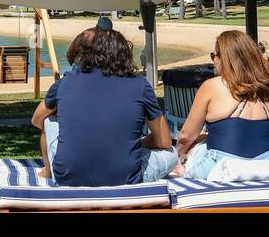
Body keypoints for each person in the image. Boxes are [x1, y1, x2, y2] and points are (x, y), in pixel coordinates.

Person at [29, 27, 176, 185]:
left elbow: (36, 119)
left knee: (48, 118)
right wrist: (138, 143)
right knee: (172, 153)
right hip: (124, 178)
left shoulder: (65, 83)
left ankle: (48, 171)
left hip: (68, 177)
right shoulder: (140, 85)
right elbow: (164, 141)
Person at [173, 30, 269, 179]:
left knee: (194, 146)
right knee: (202, 138)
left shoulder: (212, 86)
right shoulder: (265, 88)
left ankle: (182, 172)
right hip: (267, 161)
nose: (214, 61)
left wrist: (177, 159)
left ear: (225, 58)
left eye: (214, 55)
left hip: (221, 165)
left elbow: (186, 136)